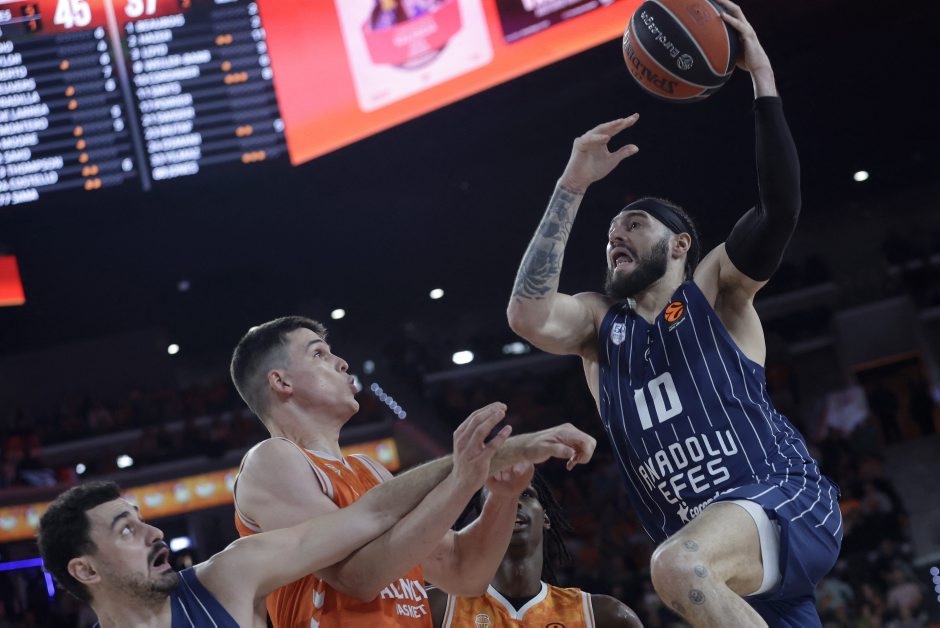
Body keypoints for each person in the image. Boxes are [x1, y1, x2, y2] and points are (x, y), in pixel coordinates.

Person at [505, 1, 841, 625]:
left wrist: (762, 78)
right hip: (720, 551)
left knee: (675, 565)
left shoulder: (715, 289)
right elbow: (526, 316)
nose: (616, 235)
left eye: (634, 224)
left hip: (783, 502)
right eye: (611, 231)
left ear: (680, 244)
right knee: (684, 565)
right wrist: (571, 185)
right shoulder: (597, 327)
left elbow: (780, 210)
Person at [36, 405, 586, 627]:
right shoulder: (270, 462)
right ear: (85, 569)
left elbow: (370, 514)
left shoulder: (227, 578)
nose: (152, 531)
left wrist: (482, 464)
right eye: (126, 529)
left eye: (141, 517)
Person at [229, 315, 597, 626]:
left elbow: (463, 570)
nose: (341, 362)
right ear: (282, 382)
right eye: (318, 354)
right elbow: (357, 578)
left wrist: (503, 497)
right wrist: (473, 470)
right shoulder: (272, 459)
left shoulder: (369, 471)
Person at [428, 471, 642, 627]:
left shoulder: (604, 617)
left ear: (546, 518)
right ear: (482, 522)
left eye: (525, 494)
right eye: (497, 498)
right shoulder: (437, 607)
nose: (513, 502)